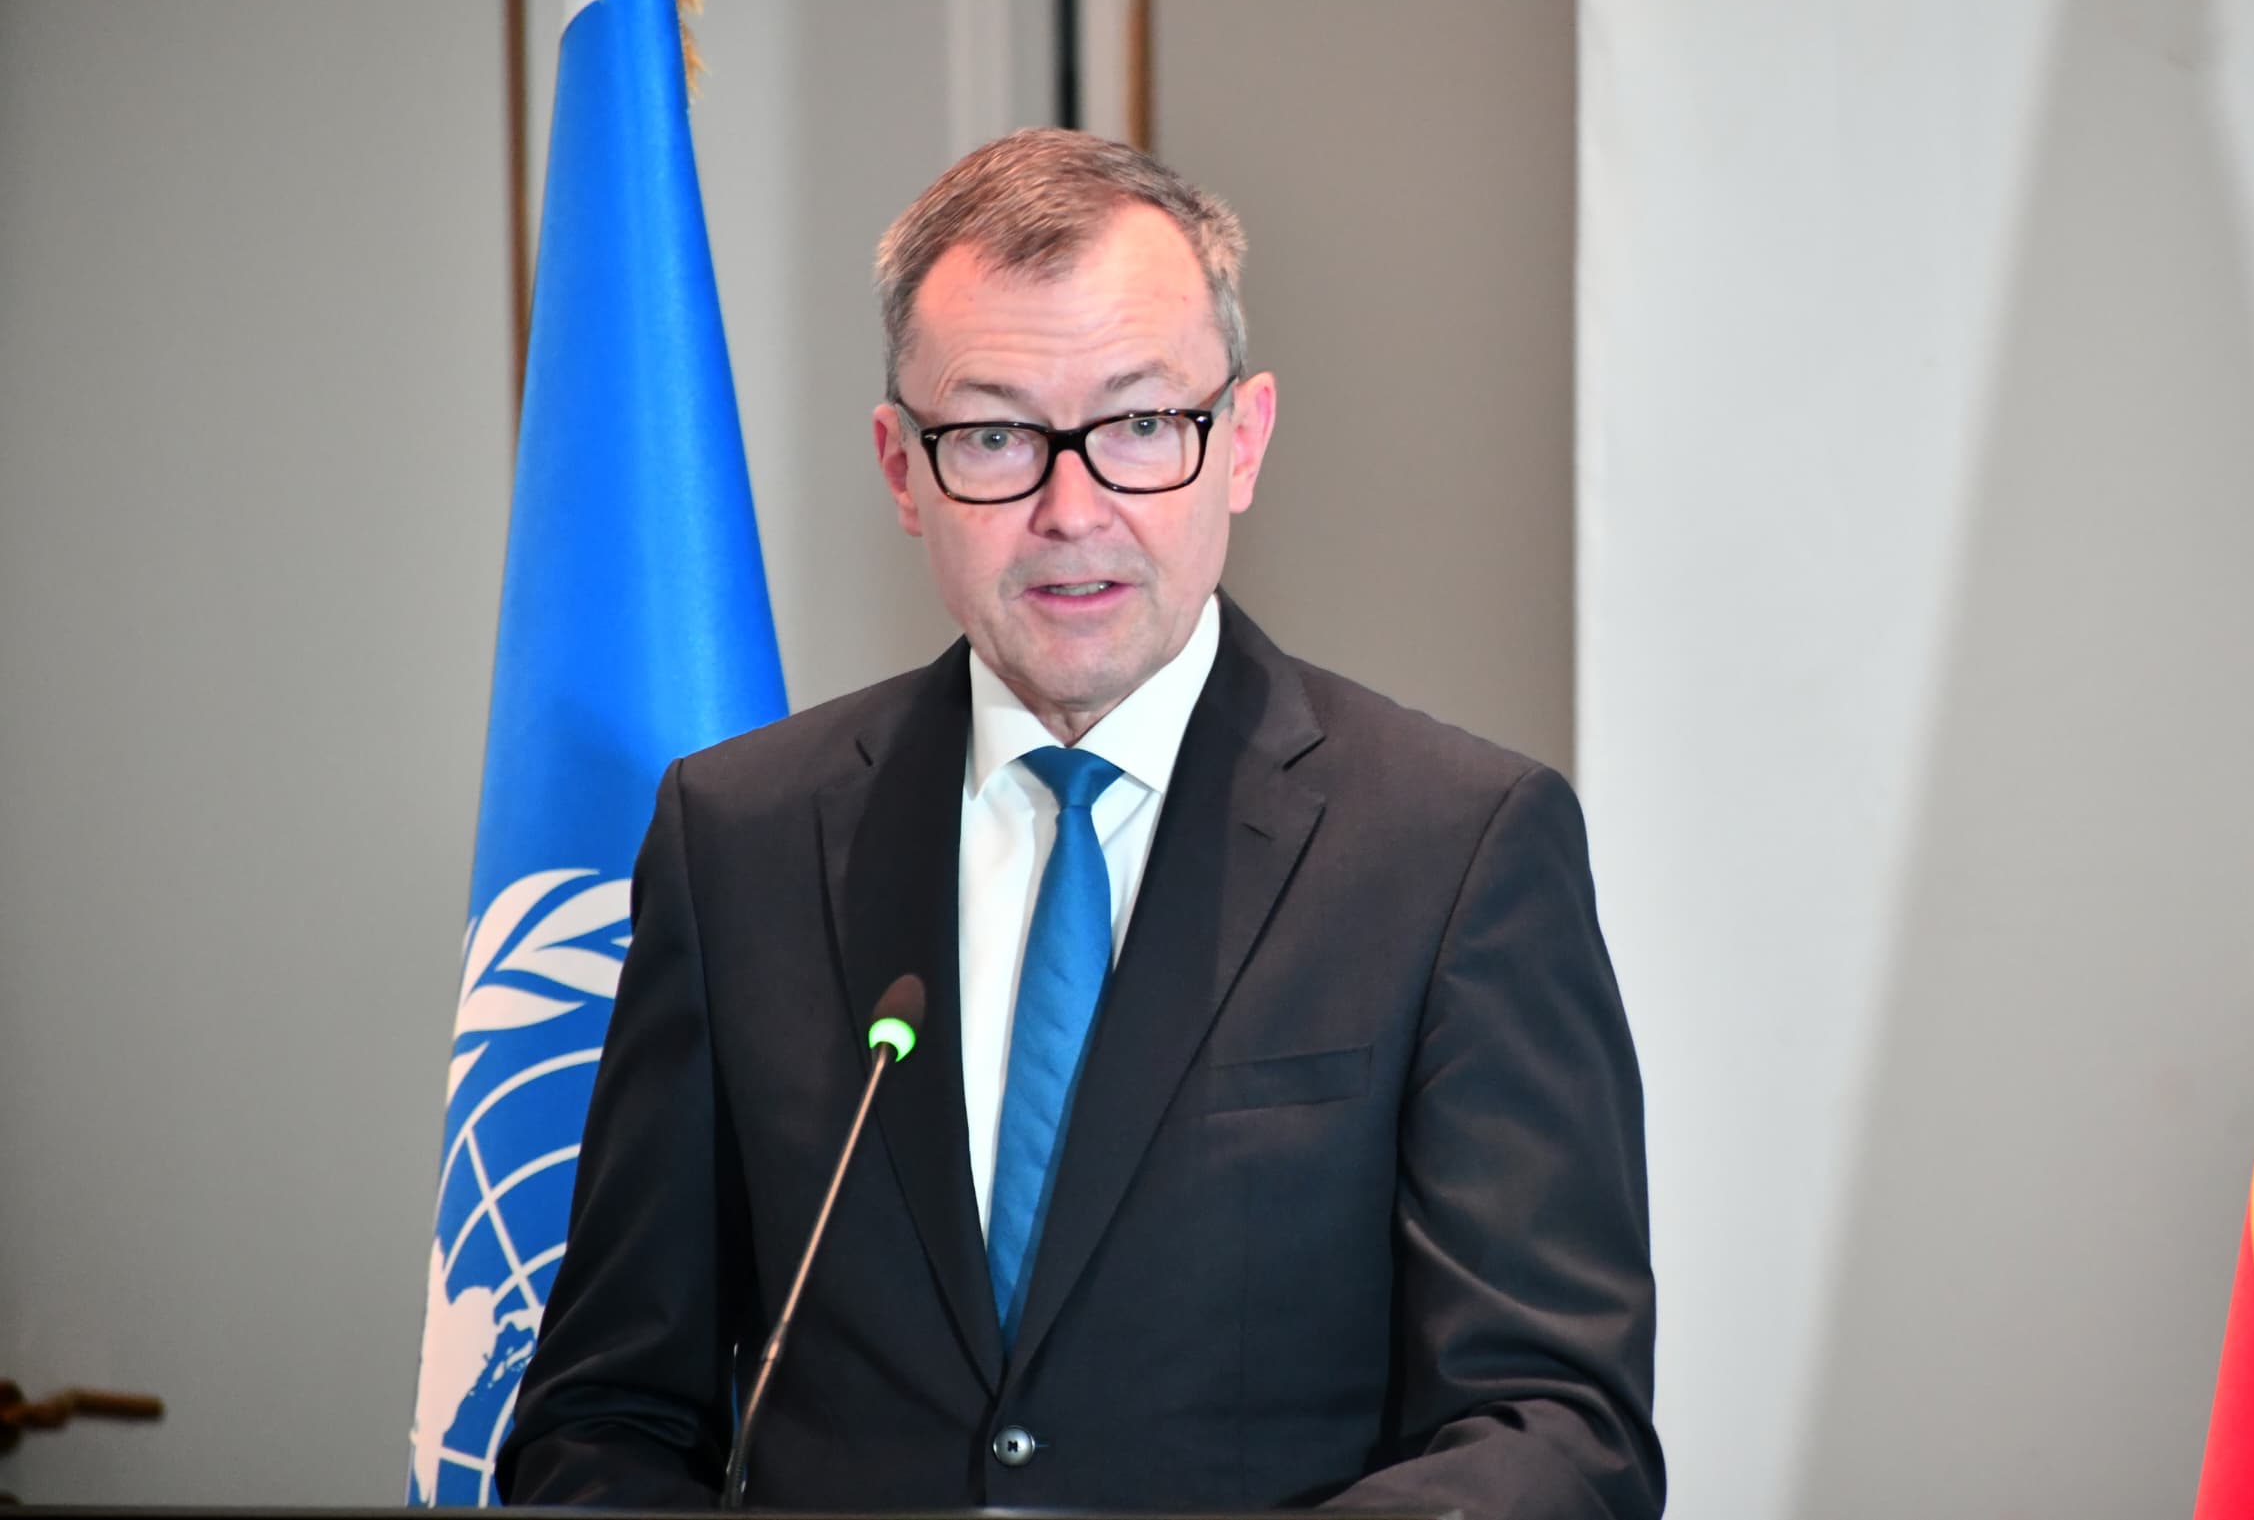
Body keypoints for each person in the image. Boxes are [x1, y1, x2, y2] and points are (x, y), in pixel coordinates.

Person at [496, 129, 1662, 1517]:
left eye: (1141, 425)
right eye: (995, 435)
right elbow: (603, 1421)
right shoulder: (737, 841)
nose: (1072, 508)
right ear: (901, 467)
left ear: (1242, 441)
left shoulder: (1456, 850)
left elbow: (1555, 1426)